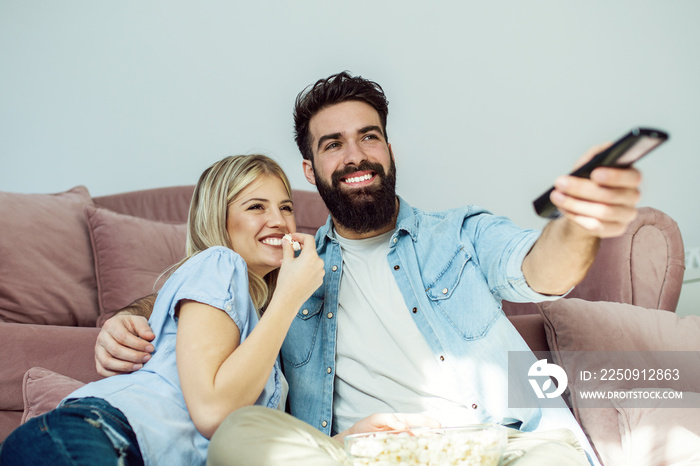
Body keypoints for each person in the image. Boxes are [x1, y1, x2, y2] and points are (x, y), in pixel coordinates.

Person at [92, 72, 642, 465]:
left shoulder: (461, 233)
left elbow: (540, 270)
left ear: (389, 149)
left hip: (501, 444)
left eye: (369, 136)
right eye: (334, 145)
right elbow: (219, 294)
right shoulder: (292, 268)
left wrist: (580, 221)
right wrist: (129, 316)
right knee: (238, 437)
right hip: (355, 456)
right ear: (310, 170)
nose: (356, 155)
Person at [0, 154, 325, 466]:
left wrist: (342, 443)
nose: (280, 221)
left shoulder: (259, 331)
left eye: (286, 207)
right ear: (218, 218)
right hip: (95, 435)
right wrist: (290, 295)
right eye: (256, 206)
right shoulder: (220, 263)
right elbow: (213, 412)